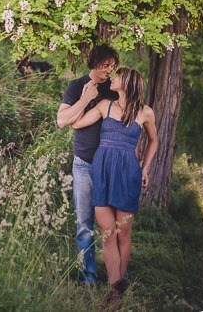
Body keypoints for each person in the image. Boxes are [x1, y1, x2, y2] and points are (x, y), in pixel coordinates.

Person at [72, 66, 158, 309]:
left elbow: (154, 141)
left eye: (117, 76)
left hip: (128, 172)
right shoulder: (105, 106)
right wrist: (84, 99)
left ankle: (116, 291)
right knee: (107, 232)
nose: (112, 78)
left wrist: (145, 168)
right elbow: (75, 124)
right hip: (102, 170)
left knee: (123, 233)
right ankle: (116, 288)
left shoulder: (145, 112)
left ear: (127, 82)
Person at [57, 44, 119, 285]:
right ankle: (88, 276)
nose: (110, 70)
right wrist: (86, 98)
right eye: (106, 65)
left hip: (109, 164)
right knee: (84, 223)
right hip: (83, 162)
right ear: (95, 62)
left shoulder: (115, 88)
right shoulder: (76, 86)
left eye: (113, 65)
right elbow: (62, 121)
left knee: (112, 223)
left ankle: (117, 274)